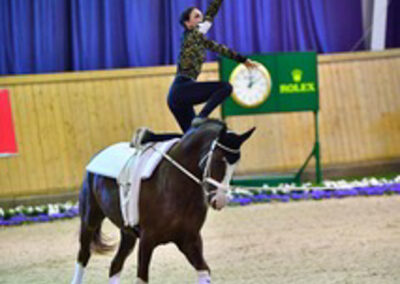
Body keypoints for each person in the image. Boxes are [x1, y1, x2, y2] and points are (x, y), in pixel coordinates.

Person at [132, 0, 257, 147]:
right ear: (188, 24)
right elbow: (211, 14)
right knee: (226, 87)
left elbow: (221, 49)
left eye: (201, 16)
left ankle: (149, 137)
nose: (202, 19)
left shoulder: (199, 39)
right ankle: (202, 117)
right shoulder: (191, 36)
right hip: (181, 88)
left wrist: (243, 60)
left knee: (190, 138)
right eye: (197, 16)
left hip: (177, 95)